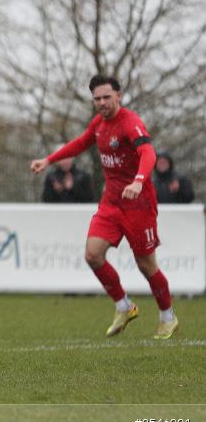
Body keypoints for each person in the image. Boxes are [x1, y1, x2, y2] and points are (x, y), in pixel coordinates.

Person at [31, 75, 178, 340]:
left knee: (146, 265)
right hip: (111, 203)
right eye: (97, 98)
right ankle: (124, 305)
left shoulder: (130, 123)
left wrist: (138, 181)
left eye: (106, 97)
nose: (101, 102)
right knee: (92, 255)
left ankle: (167, 316)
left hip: (138, 204)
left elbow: (149, 154)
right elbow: (80, 142)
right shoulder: (99, 124)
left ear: (118, 96)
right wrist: (49, 160)